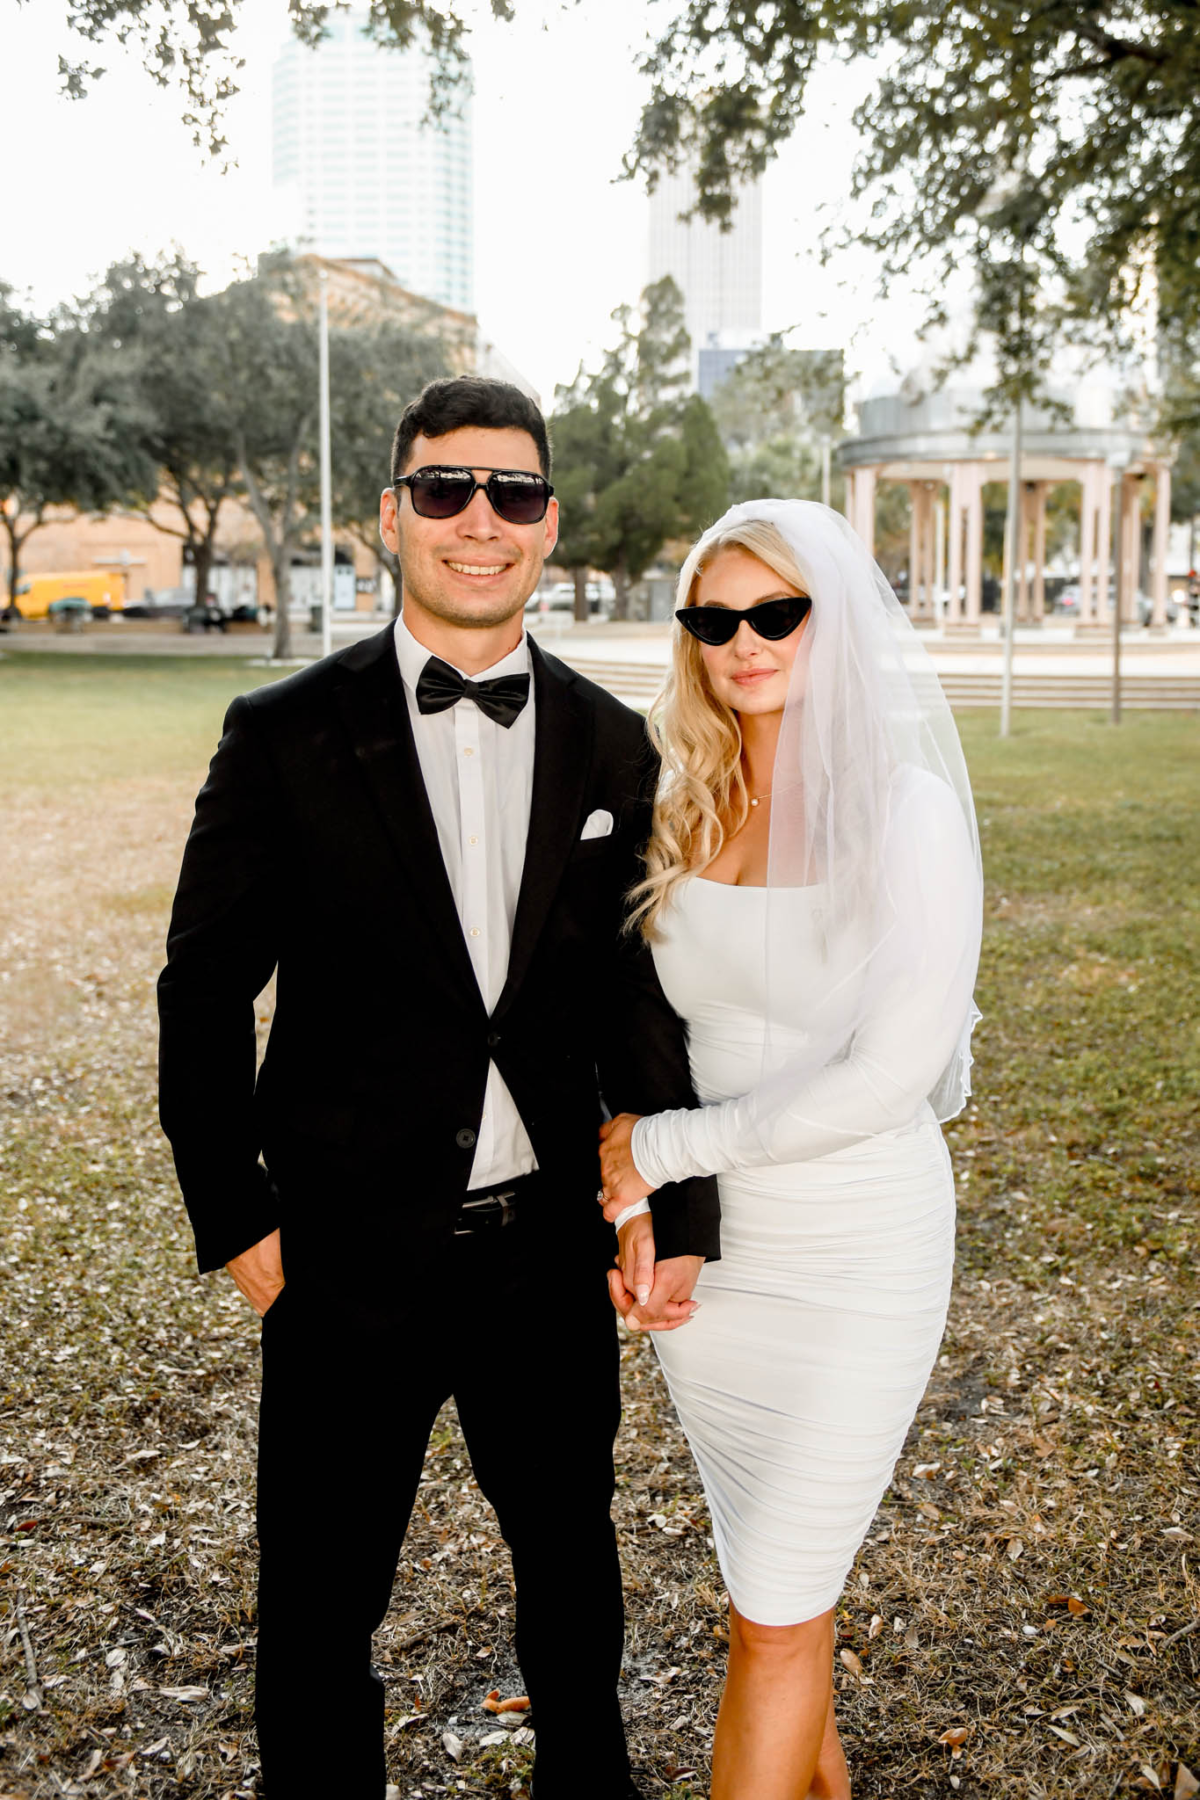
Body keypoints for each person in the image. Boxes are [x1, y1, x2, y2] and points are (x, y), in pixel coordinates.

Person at [157, 376, 720, 1800]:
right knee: (318, 1617)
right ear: (390, 515)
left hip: (543, 1253)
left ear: (548, 523)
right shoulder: (281, 733)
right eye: (448, 490)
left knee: (575, 1592)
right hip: (341, 1259)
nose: (483, 521)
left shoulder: (611, 741)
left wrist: (682, 1201)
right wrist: (237, 1222)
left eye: (514, 493)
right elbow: (204, 992)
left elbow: (635, 989)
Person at [598, 499, 982, 1800]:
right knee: (778, 1590)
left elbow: (892, 1074)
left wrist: (663, 1149)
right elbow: (645, 1038)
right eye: (716, 619)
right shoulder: (685, 795)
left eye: (778, 614)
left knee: (769, 1615)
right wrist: (651, 1211)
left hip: (855, 1256)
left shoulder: (906, 810)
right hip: (722, 1276)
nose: (746, 642)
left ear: (834, 624)